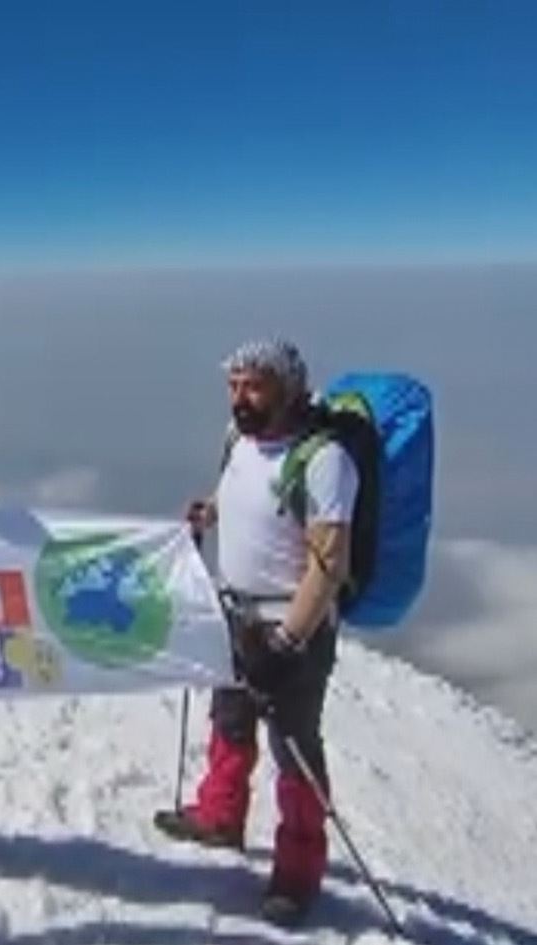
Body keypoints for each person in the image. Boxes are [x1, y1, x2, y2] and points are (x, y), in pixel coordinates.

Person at [154, 339, 358, 927]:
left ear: (287, 388)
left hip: (293, 627)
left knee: (294, 746)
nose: (240, 397)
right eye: (234, 385)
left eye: (254, 386)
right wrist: (210, 513)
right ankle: (220, 815)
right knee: (230, 717)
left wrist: (287, 642)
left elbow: (330, 563)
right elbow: (243, 492)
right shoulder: (239, 440)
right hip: (236, 615)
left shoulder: (324, 460)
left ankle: (298, 870)